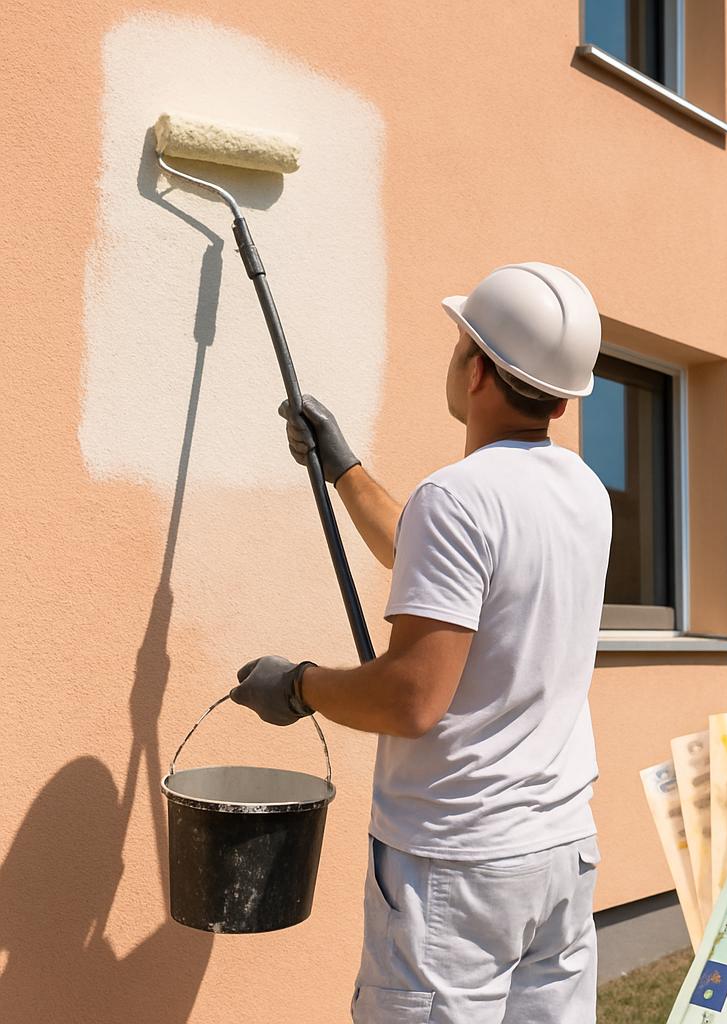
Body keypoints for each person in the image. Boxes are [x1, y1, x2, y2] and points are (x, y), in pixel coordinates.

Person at [231, 262, 612, 1023]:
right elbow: (435, 558)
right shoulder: (583, 491)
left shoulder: (460, 497)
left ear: (476, 369)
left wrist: (298, 685)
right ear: (565, 394)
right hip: (559, 850)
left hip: (458, 863)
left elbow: (410, 699)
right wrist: (344, 468)